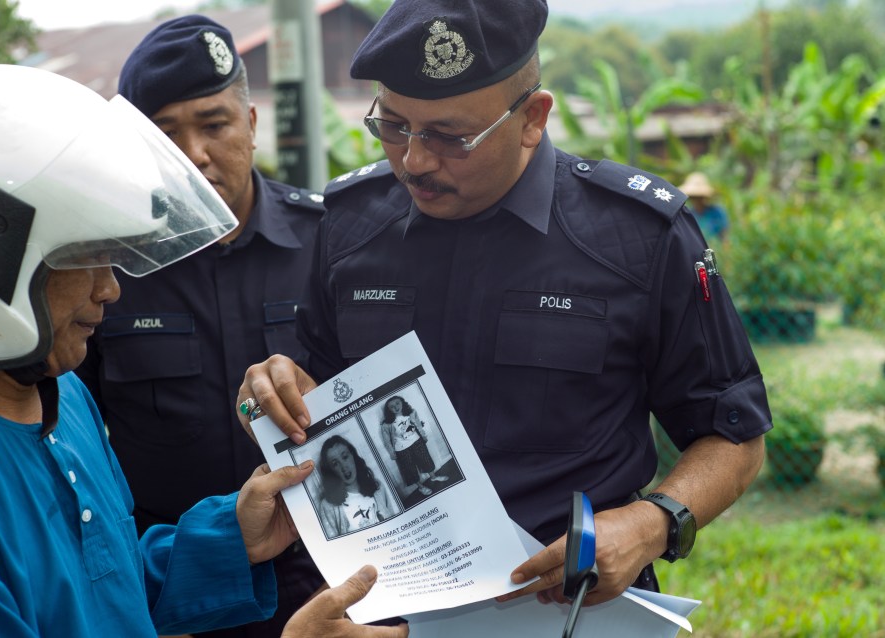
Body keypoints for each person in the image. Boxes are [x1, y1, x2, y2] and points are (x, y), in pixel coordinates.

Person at [238, 0, 771, 612]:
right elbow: (311, 397)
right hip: (393, 613)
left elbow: (734, 437)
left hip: (570, 612)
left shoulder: (638, 238)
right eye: (393, 125)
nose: (414, 160)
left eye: (450, 136)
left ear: (532, 118)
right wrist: (270, 394)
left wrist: (651, 525)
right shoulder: (352, 227)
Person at [0, 64, 406, 638]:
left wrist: (230, 539)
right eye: (85, 258)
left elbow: (107, 593)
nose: (111, 289)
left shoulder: (61, 394)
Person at [73, 16, 326, 638]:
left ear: (251, 124)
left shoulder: (331, 245)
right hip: (177, 591)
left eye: (215, 125)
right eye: (166, 136)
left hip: (327, 581)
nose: (195, 155)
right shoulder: (108, 270)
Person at [318, 435, 397, 539]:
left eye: (345, 457)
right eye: (335, 464)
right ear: (330, 472)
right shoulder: (328, 506)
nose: (343, 466)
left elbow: (395, 522)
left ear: (353, 456)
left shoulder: (377, 487)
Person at [378, 396, 446, 497]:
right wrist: (392, 453)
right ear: (389, 410)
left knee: (426, 460)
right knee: (409, 470)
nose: (396, 407)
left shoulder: (411, 413)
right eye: (392, 407)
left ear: (402, 402)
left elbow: (418, 424)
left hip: (417, 442)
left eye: (397, 403)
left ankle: (433, 477)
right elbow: (387, 441)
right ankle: (421, 487)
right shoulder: (387, 424)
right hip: (401, 449)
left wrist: (423, 435)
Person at [679, 171, 729, 242]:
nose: (697, 200)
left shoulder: (717, 212)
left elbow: (724, 235)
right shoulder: (688, 214)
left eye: (699, 197)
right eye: (694, 197)